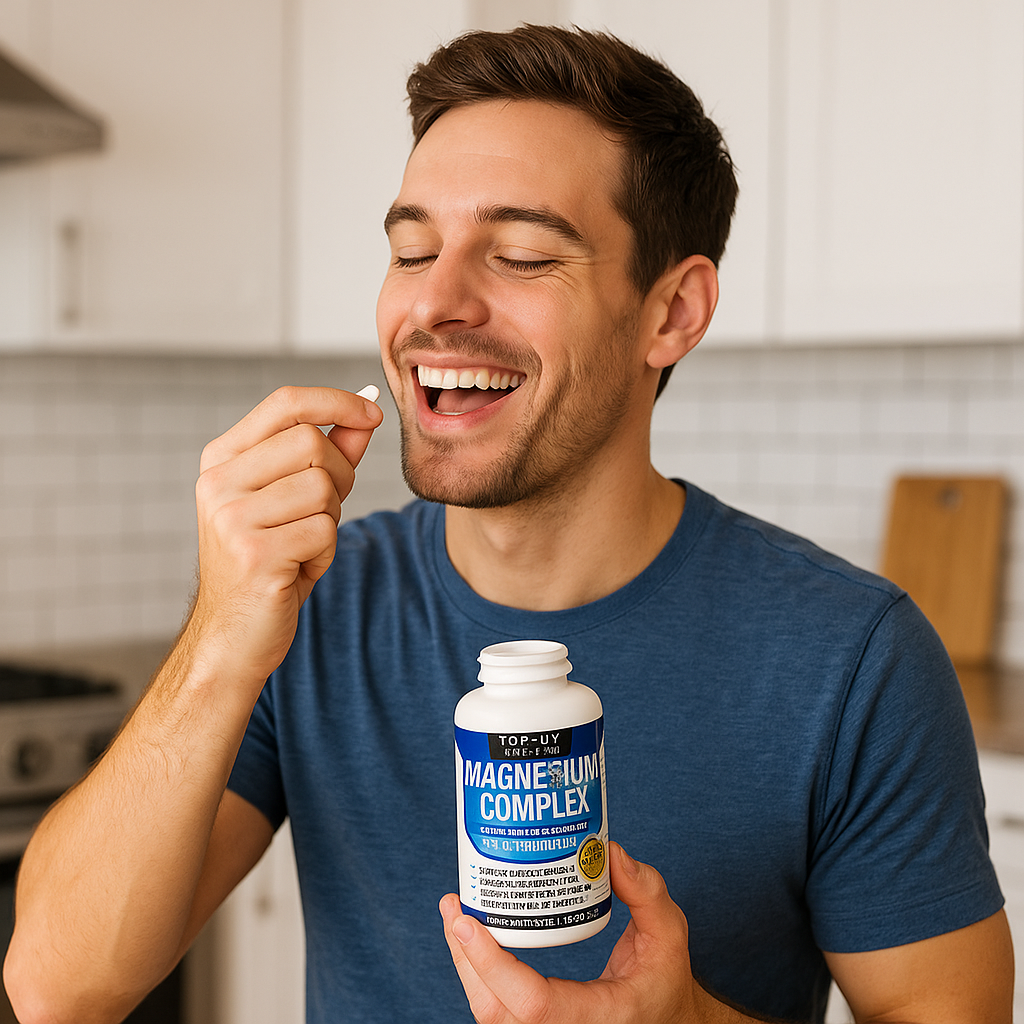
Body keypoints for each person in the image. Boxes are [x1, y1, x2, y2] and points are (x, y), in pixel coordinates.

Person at [4, 24, 1014, 1024]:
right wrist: (220, 639)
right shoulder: (317, 604)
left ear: (671, 312)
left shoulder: (852, 659)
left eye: (523, 255)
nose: (435, 302)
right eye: (411, 250)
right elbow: (56, 990)